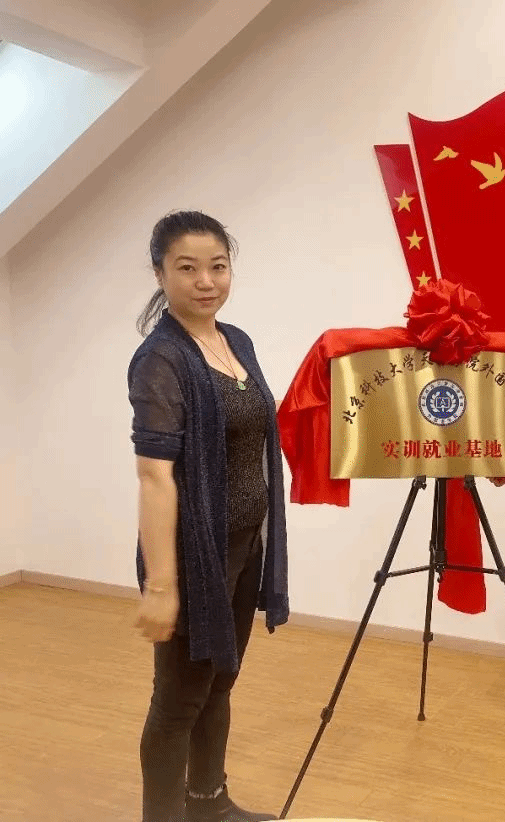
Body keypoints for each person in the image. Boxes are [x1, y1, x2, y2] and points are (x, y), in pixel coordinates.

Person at [128, 211, 289, 822]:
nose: (205, 281)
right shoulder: (161, 360)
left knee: (219, 679)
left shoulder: (236, 341)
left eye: (217, 267)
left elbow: (251, 423)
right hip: (194, 556)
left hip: (245, 542)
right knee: (177, 702)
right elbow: (154, 476)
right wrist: (161, 587)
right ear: (160, 273)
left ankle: (208, 804)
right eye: (187, 268)